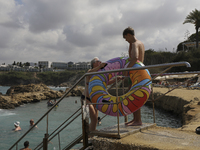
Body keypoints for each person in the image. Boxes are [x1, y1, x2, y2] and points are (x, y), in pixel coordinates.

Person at [82, 57, 123, 132]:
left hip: (94, 99)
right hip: (86, 99)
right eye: (98, 61)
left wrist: (117, 79)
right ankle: (88, 137)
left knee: (95, 119)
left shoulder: (99, 73)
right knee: (90, 119)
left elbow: (107, 82)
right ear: (93, 63)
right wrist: (100, 66)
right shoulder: (90, 71)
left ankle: (89, 135)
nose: (100, 62)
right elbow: (88, 73)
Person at [123, 27, 145, 126]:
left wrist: (126, 70)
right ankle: (135, 119)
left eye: (125, 38)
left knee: (133, 96)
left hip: (136, 73)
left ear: (129, 35)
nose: (126, 40)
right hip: (138, 72)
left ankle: (138, 120)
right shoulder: (140, 43)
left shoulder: (135, 44)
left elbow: (135, 58)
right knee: (133, 96)